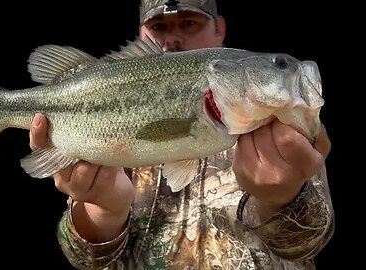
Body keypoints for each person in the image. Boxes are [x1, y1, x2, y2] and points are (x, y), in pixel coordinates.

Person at [29, 0, 334, 269]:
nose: (172, 37)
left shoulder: (281, 126)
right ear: (141, 33)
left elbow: (310, 243)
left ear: (220, 28)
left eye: (189, 23)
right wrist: (103, 212)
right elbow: (84, 258)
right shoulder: (106, 111)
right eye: (157, 26)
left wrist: (281, 198)